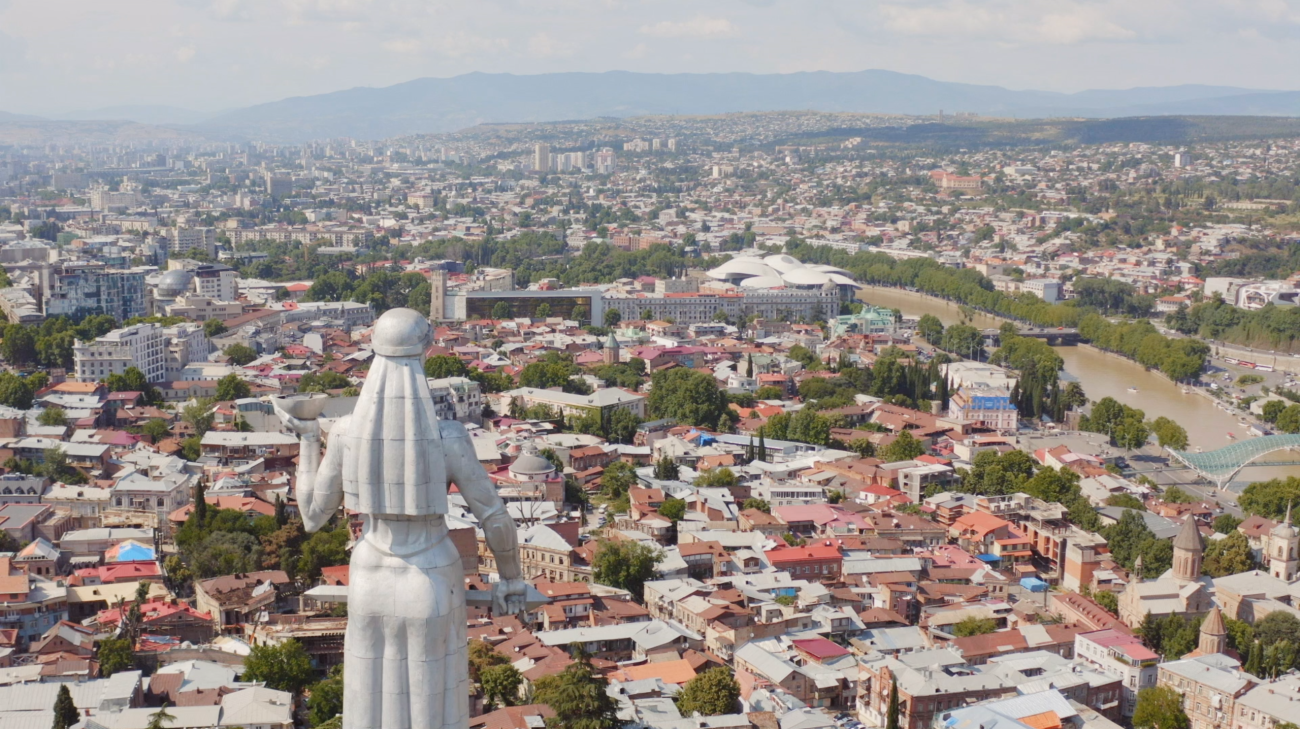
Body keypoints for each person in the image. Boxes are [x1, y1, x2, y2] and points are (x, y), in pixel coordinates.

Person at [276, 308, 524, 729]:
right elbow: (494, 518)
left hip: (369, 576)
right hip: (430, 575)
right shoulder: (448, 438)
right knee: (434, 702)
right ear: (425, 352)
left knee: (368, 700)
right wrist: (512, 579)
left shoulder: (344, 432)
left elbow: (312, 516)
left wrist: (307, 440)